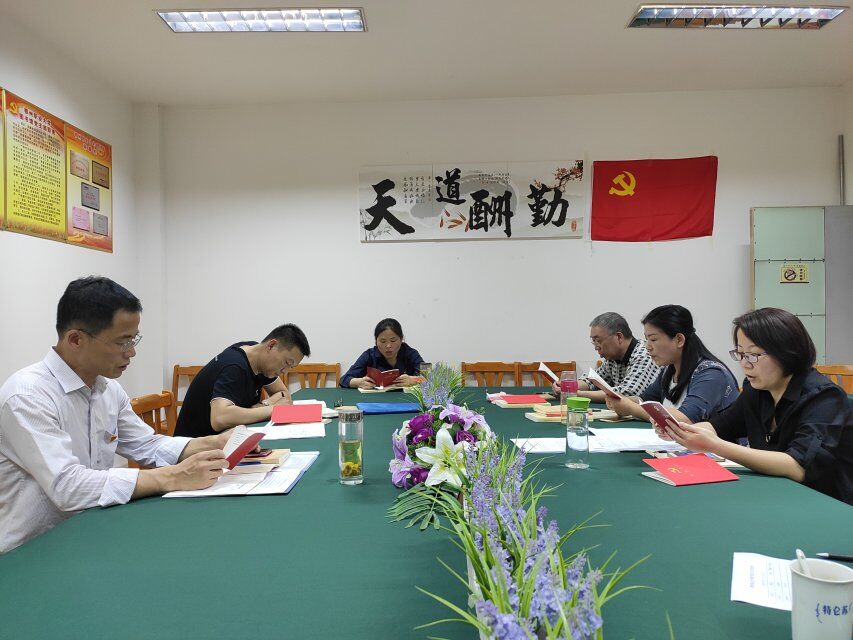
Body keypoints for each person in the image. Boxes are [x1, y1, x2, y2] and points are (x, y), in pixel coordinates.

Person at [0, 277, 232, 553]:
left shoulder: (107, 389)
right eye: (123, 342)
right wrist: (171, 476)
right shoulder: (27, 396)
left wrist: (215, 443)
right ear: (75, 339)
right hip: (33, 550)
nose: (131, 352)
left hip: (91, 531)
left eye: (134, 339)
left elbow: (146, 445)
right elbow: (67, 486)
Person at [662, 308, 852, 504]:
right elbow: (719, 426)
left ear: (786, 352)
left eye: (753, 355)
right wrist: (679, 430)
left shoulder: (823, 397)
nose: (745, 364)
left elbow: (798, 466)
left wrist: (715, 446)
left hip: (826, 503)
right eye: (740, 354)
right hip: (777, 496)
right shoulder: (757, 389)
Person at [607, 305, 738, 424]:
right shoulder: (669, 369)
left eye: (653, 339)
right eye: (647, 340)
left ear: (679, 340)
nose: (648, 347)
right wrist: (621, 401)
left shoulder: (711, 374)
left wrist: (630, 408)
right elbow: (645, 400)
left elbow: (685, 418)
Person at [173, 324, 310, 438]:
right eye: (286, 363)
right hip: (195, 448)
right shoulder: (235, 366)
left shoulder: (258, 358)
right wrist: (272, 410)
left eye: (291, 367)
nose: (285, 371)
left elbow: (284, 395)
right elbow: (219, 418)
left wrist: (263, 405)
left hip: (226, 438)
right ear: (271, 345)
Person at [552, 312, 659, 402]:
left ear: (619, 337)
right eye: (593, 341)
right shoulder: (613, 358)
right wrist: (567, 386)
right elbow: (592, 381)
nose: (596, 347)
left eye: (598, 341)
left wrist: (577, 394)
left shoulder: (644, 355)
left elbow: (627, 393)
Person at [341, 318, 423, 389]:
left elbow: (428, 378)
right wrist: (358, 382)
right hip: (376, 399)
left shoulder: (411, 354)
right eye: (383, 341)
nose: (388, 346)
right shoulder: (369, 355)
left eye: (393, 340)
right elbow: (344, 379)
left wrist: (413, 380)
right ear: (376, 341)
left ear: (401, 339)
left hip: (406, 399)